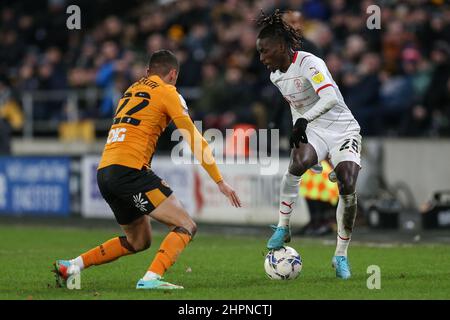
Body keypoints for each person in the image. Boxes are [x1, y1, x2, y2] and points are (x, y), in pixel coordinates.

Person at [53, 50, 242, 290]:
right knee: (186, 225)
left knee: (138, 240)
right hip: (130, 170)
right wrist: (219, 181)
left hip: (105, 171)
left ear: (147, 72)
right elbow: (194, 139)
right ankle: (151, 278)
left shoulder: (130, 91)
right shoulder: (167, 92)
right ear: (173, 74)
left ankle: (73, 265)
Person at [256, 10, 362, 279]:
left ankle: (340, 256)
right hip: (314, 128)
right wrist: (299, 129)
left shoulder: (309, 63)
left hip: (342, 127)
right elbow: (297, 105)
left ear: (280, 47)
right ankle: (283, 226)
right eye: (259, 53)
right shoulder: (275, 76)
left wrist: (302, 121)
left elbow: (329, 100)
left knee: (347, 184)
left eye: (265, 52)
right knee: (297, 164)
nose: (262, 59)